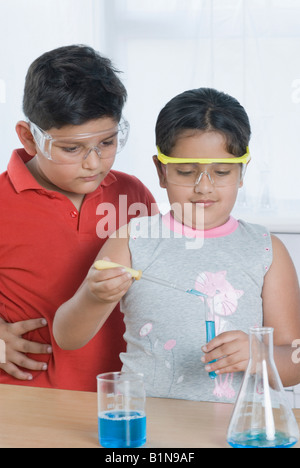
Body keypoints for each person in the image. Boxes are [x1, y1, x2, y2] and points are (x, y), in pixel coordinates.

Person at [53, 88, 300, 402]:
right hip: (148, 426)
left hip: (240, 429)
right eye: (186, 172)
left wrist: (260, 354)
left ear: (241, 172)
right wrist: (93, 296)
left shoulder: (266, 250)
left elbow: (294, 359)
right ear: (161, 171)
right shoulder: (132, 239)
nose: (204, 187)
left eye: (221, 172)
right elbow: (67, 337)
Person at [0, 45, 157, 391]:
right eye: (71, 148)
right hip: (25, 404)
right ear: (29, 137)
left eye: (108, 141)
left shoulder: (133, 195)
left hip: (123, 399)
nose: (94, 162)